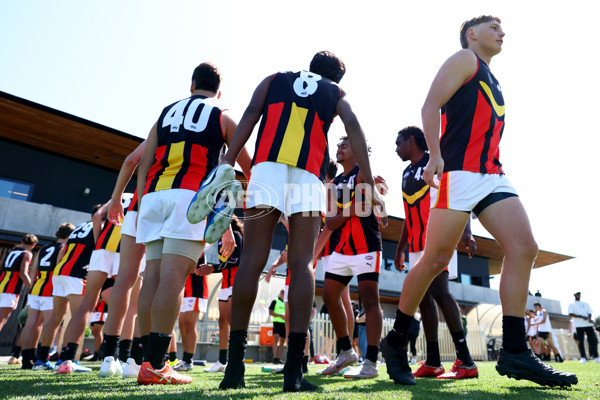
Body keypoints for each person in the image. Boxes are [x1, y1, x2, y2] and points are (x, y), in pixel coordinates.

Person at [379, 16, 577, 387]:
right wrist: (434, 154)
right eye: (493, 27)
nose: (502, 32)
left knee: (524, 247)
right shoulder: (465, 59)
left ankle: (516, 351)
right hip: (459, 174)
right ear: (472, 34)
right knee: (435, 260)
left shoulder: (491, 76)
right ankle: (395, 341)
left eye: (502, 28)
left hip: (491, 174)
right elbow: (430, 105)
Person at [217, 51, 380, 392]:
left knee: (252, 258)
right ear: (336, 77)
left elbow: (248, 114)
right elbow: (355, 128)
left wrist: (227, 162)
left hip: (265, 169)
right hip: (308, 175)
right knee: (303, 261)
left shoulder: (275, 78)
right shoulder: (335, 93)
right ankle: (294, 370)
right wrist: (367, 178)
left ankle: (234, 367)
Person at [134, 62, 250, 386]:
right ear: (219, 90)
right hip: (191, 197)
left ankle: (148, 361)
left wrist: (143, 200)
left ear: (191, 85)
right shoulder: (222, 114)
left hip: (154, 194)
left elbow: (143, 162)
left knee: (152, 278)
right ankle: (157, 364)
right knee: (173, 277)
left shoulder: (166, 112)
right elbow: (245, 163)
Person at [394, 126, 478, 379]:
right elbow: (408, 216)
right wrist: (400, 249)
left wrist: (467, 232)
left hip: (439, 238)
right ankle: (433, 361)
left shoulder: (437, 162)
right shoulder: (406, 172)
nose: (396, 148)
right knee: (423, 298)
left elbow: (458, 195)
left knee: (441, 292)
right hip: (416, 246)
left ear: (412, 141)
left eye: (398, 143)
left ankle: (465, 359)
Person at [318, 136, 387, 380]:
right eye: (338, 146)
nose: (339, 149)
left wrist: (360, 204)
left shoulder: (364, 174)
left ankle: (371, 362)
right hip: (343, 249)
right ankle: (346, 352)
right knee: (329, 296)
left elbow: (369, 205)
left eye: (344, 146)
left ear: (358, 152)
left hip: (367, 245)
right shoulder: (334, 182)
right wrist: (356, 205)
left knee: (369, 302)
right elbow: (331, 221)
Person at [33, 207, 101, 372]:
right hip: (77, 274)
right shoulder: (101, 227)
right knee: (80, 315)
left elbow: (62, 250)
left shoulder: (79, 226)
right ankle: (68, 359)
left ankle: (40, 361)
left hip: (60, 272)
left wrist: (60, 270)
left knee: (56, 318)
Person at [19, 224, 74, 369]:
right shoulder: (65, 248)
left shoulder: (43, 248)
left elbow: (32, 272)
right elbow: (59, 268)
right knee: (51, 324)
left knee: (31, 324)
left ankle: (26, 360)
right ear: (70, 235)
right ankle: (41, 358)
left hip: (36, 288)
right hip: (52, 290)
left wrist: (33, 289)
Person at [201, 216, 243, 373]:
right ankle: (222, 360)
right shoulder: (219, 240)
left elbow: (237, 260)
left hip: (236, 283)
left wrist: (212, 268)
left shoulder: (236, 236)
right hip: (225, 284)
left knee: (233, 321)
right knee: (222, 322)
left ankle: (236, 358)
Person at [0, 234, 38, 335]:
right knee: (1, 320)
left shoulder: (11, 252)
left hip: (1, 284)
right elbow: (23, 273)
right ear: (33, 245)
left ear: (22, 242)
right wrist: (33, 288)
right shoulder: (27, 254)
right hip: (10, 289)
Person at [568, 292, 599, 363]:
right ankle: (583, 357)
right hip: (579, 325)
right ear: (574, 295)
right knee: (581, 342)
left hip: (588, 325)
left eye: (579, 294)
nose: (578, 295)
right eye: (576, 294)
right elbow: (570, 313)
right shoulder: (572, 304)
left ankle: (596, 357)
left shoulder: (585, 303)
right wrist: (581, 317)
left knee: (593, 341)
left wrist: (589, 318)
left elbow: (589, 312)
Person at [269, 290, 287, 365]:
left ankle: (278, 358)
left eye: (284, 293)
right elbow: (270, 312)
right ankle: (274, 357)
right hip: (277, 323)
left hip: (284, 324)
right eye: (282, 292)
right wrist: (280, 316)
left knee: (282, 341)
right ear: (280, 293)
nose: (283, 294)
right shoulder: (275, 301)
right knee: (276, 339)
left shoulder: (286, 303)